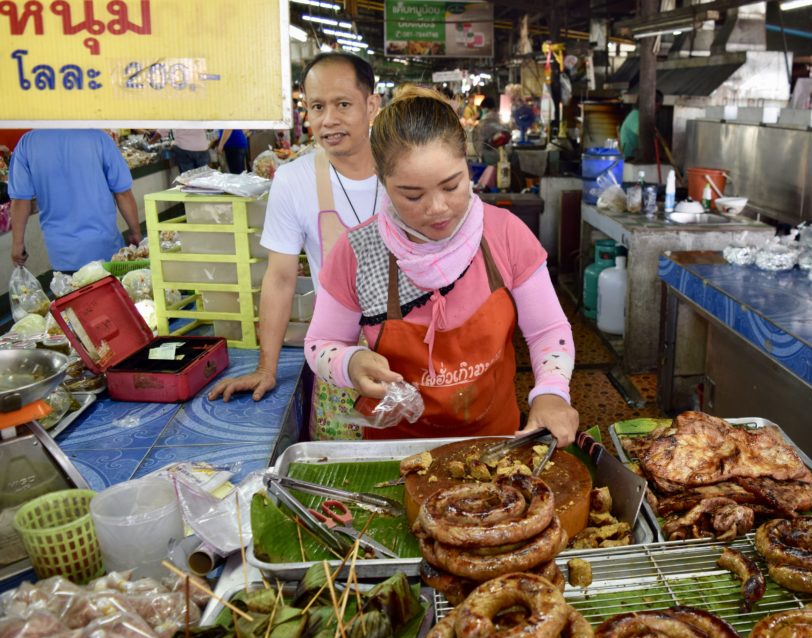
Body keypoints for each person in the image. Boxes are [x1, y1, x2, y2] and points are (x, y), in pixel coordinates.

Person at [304, 85, 579, 446]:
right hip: (396, 450)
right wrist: (349, 363)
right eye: (412, 195)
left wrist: (551, 391)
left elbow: (547, 330)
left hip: (496, 444)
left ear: (468, 166)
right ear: (383, 183)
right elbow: (320, 344)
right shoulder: (358, 251)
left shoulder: (506, 235)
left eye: (451, 186)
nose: (437, 208)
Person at [208, 52, 380, 441]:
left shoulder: (406, 169)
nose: (328, 120)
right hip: (336, 353)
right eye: (317, 107)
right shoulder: (293, 180)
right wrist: (266, 368)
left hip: (411, 352)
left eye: (343, 104)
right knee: (337, 468)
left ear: (372, 105)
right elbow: (281, 279)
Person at [8, 129, 141, 272]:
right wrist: (136, 233)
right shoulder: (97, 136)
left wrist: (17, 244)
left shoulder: (27, 143)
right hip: (106, 249)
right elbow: (122, 193)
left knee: (71, 291)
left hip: (62, 254)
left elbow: (20, 200)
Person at [619, 90, 663, 160]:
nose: (658, 109)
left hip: (635, 158)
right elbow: (645, 135)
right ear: (652, 103)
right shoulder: (636, 115)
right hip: (630, 158)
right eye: (659, 105)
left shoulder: (639, 115)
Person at [472, 96, 507, 166]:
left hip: (489, 158)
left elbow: (479, 142)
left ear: (485, 108)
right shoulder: (501, 119)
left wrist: (480, 156)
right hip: (504, 156)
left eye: (482, 109)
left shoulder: (484, 122)